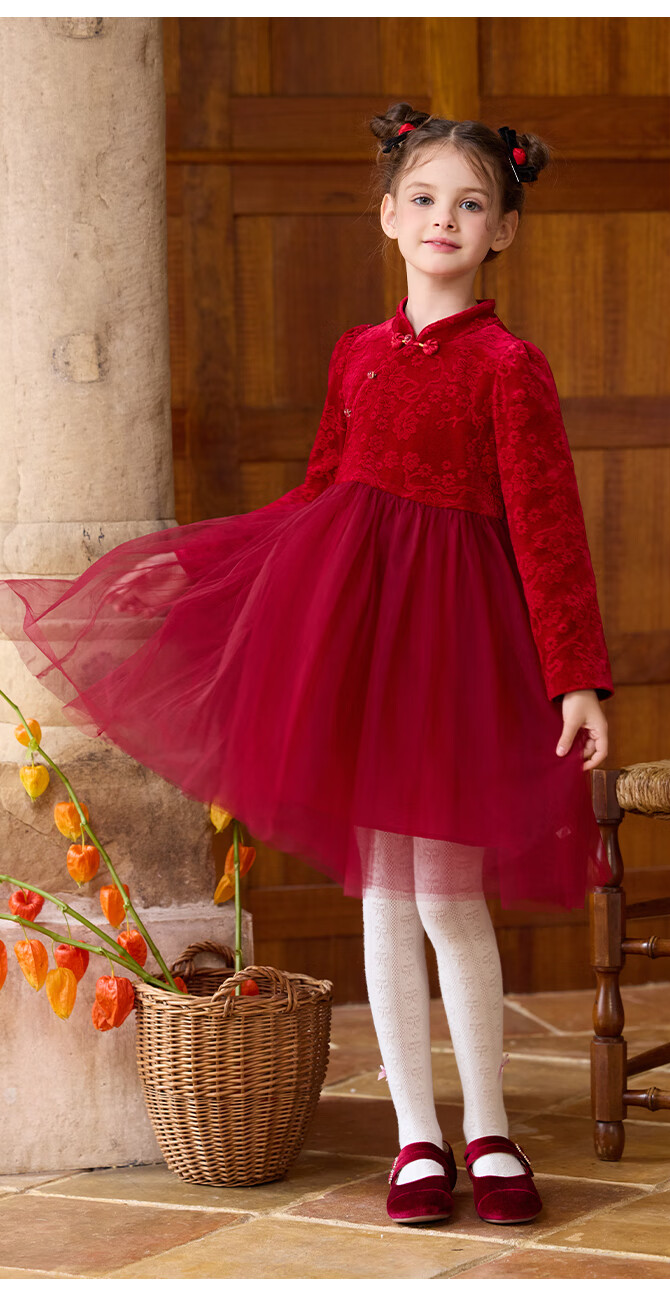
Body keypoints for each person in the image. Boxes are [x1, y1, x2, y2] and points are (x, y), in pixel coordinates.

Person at [0, 102, 613, 1226]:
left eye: (470, 203)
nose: (444, 218)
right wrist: (201, 576)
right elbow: (321, 492)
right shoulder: (357, 357)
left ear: (502, 231)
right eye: (423, 197)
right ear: (387, 215)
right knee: (384, 893)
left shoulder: (508, 367)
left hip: (456, 658)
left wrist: (574, 673)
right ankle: (416, 1137)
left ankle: (490, 1129)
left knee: (448, 898)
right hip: (362, 649)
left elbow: (548, 527)